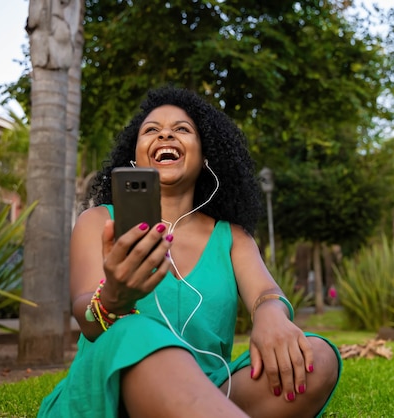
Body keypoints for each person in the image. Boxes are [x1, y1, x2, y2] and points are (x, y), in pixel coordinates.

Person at [38, 85, 342, 417]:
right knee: (139, 331)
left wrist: (270, 314)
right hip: (116, 386)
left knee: (318, 356)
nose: (165, 134)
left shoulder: (232, 237)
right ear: (134, 156)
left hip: (212, 387)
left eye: (182, 129)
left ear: (206, 155)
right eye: (151, 130)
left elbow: (265, 291)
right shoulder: (99, 221)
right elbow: (86, 316)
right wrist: (113, 298)